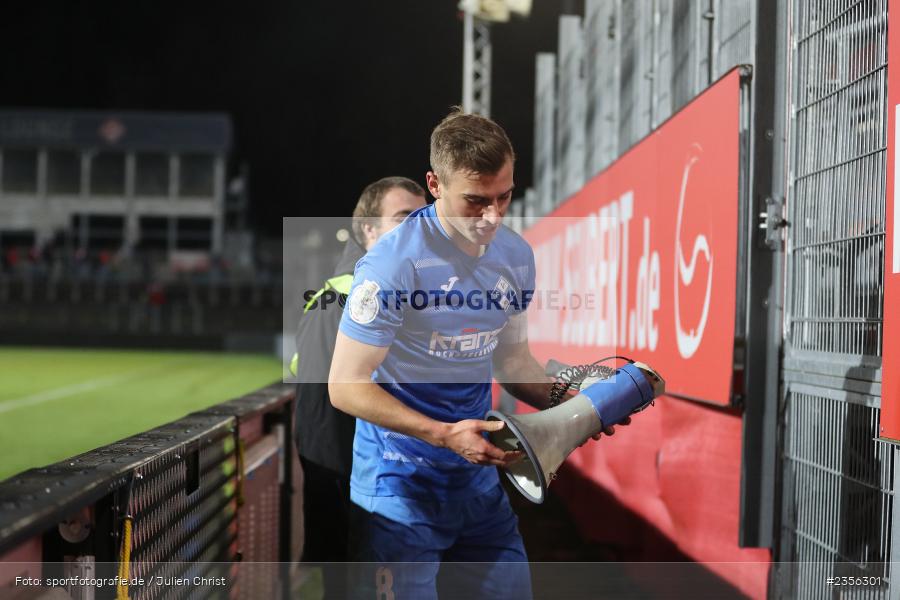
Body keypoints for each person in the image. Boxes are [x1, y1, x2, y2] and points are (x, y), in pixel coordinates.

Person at [329, 109, 620, 599]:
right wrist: (444, 435)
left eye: (504, 196)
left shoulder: (515, 256)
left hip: (478, 487)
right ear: (435, 184)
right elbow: (345, 385)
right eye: (476, 201)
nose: (492, 216)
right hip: (398, 491)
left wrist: (578, 402)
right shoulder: (391, 264)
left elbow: (512, 365)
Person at [292, 177, 426, 589]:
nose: (417, 229)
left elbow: (301, 368)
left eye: (422, 218)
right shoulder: (365, 293)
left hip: (335, 472)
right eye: (404, 218)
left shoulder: (336, 287)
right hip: (353, 479)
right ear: (368, 230)